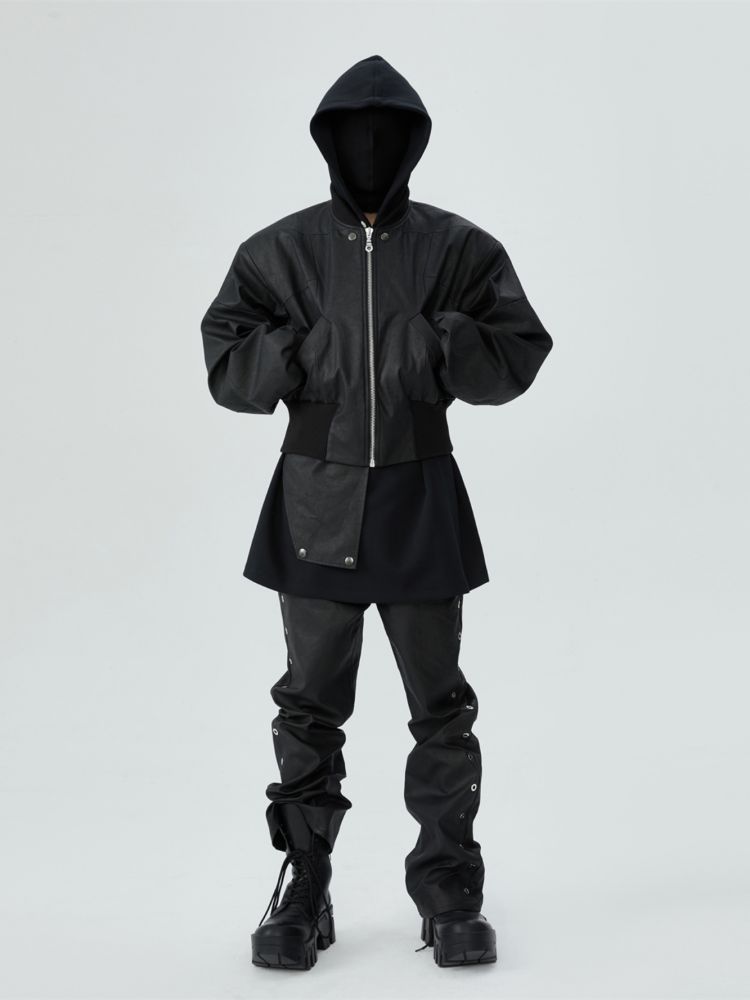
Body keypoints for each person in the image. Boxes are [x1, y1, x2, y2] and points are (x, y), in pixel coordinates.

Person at [200, 54, 553, 971]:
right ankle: (304, 888)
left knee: (441, 707)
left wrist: (438, 342)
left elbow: (519, 350)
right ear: (327, 145)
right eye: (353, 137)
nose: (369, 150)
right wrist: (299, 353)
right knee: (308, 708)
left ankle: (450, 893)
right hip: (316, 501)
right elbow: (225, 362)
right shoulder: (278, 250)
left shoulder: (458, 248)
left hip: (420, 495)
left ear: (411, 147)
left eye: (387, 137)